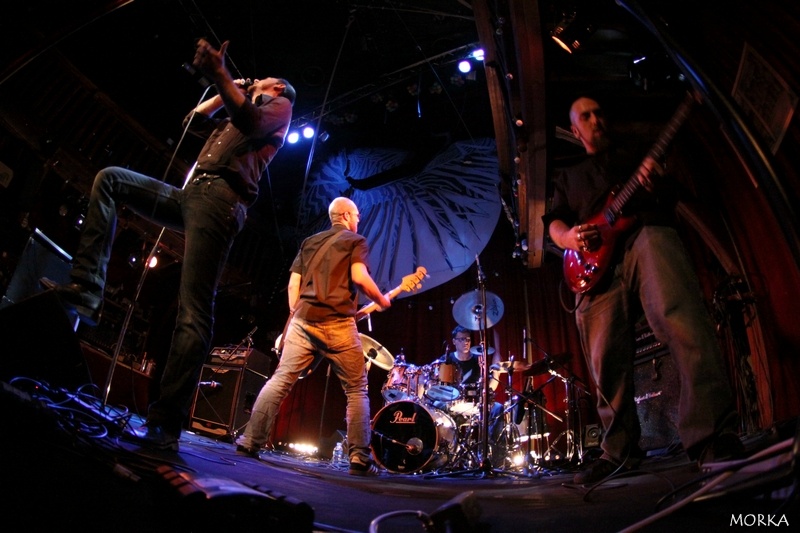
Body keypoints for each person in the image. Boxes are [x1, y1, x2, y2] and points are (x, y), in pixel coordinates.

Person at [40, 38, 295, 451]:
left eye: (263, 80)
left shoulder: (279, 109)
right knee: (111, 179)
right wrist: (223, 86)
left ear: (278, 88)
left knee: (193, 310)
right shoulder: (233, 106)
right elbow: (192, 121)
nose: (256, 81)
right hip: (189, 193)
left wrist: (226, 77)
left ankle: (166, 423)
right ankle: (87, 289)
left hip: (220, 202)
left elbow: (248, 120)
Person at [543, 96, 743, 484]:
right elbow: (553, 222)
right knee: (605, 360)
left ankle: (712, 437)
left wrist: (659, 179)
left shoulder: (634, 154)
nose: (596, 118)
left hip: (647, 231)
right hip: (593, 267)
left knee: (683, 321)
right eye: (586, 115)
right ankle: (619, 451)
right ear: (575, 129)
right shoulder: (568, 177)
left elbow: (676, 194)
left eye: (600, 111)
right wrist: (568, 237)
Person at [234, 197, 391, 476]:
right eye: (356, 214)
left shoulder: (310, 242)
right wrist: (381, 298)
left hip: (303, 320)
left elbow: (294, 283)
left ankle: (250, 441)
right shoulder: (356, 241)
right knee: (356, 390)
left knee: (281, 379)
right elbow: (359, 276)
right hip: (338, 324)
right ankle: (358, 457)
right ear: (344, 215)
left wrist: (297, 314)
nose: (359, 219)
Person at [429, 326, 504, 454]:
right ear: (454, 341)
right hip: (452, 404)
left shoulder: (478, 359)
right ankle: (445, 452)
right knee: (436, 406)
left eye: (468, 339)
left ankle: (493, 455)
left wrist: (495, 375)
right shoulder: (447, 359)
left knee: (498, 408)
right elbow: (436, 385)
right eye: (462, 339)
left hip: (475, 404)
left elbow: (491, 385)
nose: (466, 342)